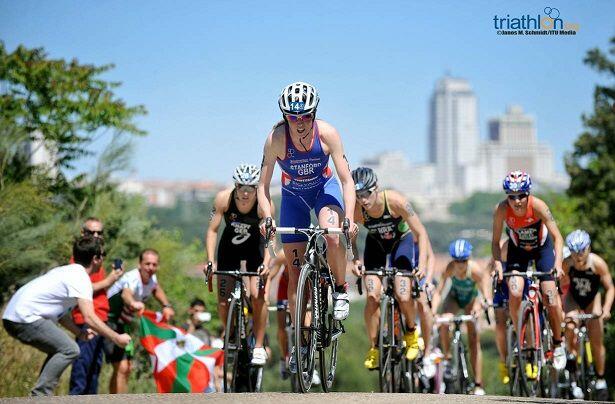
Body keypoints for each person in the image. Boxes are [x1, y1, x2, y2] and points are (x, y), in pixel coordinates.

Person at [257, 81, 358, 373]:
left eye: (305, 117)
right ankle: (301, 340)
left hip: (324, 191)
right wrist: (267, 217)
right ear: (284, 116)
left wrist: (349, 217)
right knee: (295, 270)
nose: (299, 123)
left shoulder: (327, 134)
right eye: (293, 117)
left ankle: (339, 288)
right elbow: (263, 187)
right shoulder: (276, 139)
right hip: (293, 199)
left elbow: (347, 180)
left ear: (313, 114)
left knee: (332, 235)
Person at [2, 236, 131, 396]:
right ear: (96, 259)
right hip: (24, 317)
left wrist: (79, 332)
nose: (103, 260)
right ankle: (39, 396)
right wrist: (116, 338)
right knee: (69, 349)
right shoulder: (81, 278)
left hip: (14, 316)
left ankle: (40, 395)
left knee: (59, 349)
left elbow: (61, 315)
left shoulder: (66, 271)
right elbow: (90, 318)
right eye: (102, 256)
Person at [349, 167, 435, 372]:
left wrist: (421, 265)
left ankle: (412, 334)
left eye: (366, 194)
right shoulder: (356, 210)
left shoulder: (396, 201)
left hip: (401, 243)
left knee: (404, 294)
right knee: (372, 296)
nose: (363, 200)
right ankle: (374, 347)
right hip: (375, 245)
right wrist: (354, 260)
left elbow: (421, 233)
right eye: (357, 196)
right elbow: (350, 236)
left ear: (376, 188)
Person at [491, 170, 567, 375]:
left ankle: (558, 343)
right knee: (515, 291)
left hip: (542, 249)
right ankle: (521, 333)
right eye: (512, 196)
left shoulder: (539, 206)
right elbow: (495, 242)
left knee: (550, 296)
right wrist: (498, 264)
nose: (517, 201)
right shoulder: (501, 210)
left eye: (521, 195)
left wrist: (558, 265)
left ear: (528, 193)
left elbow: (558, 238)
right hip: (518, 252)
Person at [206, 163, 272, 366]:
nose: (245, 192)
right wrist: (210, 260)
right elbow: (212, 231)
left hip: (255, 249)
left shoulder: (264, 204)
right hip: (229, 248)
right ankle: (231, 332)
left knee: (257, 296)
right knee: (223, 300)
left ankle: (259, 345)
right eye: (241, 187)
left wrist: (267, 262)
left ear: (257, 188)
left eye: (251, 188)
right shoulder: (223, 198)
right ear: (235, 185)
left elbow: (270, 237)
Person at [105, 248, 175, 394]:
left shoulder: (151, 278)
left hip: (123, 325)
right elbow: (126, 294)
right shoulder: (133, 278)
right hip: (108, 322)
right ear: (139, 264)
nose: (150, 268)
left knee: (125, 368)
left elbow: (156, 288)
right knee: (122, 367)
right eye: (147, 264)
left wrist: (166, 305)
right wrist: (133, 303)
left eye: (154, 264)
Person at [68, 217, 124, 395]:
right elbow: (81, 289)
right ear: (82, 234)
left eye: (100, 232)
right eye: (91, 232)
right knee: (82, 371)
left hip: (101, 320)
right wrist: (109, 280)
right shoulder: (78, 259)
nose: (96, 236)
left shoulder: (96, 259)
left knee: (93, 372)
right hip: (87, 320)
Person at [432, 239, 492, 395]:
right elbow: (439, 291)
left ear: (469, 259)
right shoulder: (449, 268)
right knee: (445, 322)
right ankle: (447, 358)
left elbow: (484, 292)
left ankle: (478, 384)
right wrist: (433, 310)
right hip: (454, 298)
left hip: (471, 301)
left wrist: (482, 305)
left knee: (474, 340)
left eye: (463, 260)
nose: (460, 264)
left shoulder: (475, 270)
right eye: (457, 260)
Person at [561, 229, 613, 401]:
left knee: (596, 338)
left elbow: (610, 288)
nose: (578, 256)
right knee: (569, 325)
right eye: (574, 252)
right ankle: (572, 363)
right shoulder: (567, 263)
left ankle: (600, 378)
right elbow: (560, 286)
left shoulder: (598, 264)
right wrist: (562, 310)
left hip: (592, 299)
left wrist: (606, 309)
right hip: (574, 299)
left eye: (581, 251)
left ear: (588, 248)